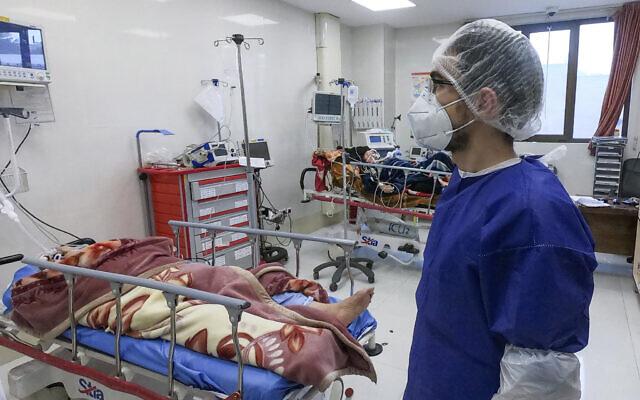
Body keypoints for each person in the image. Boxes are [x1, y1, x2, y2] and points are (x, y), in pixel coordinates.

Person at [404, 19, 597, 400]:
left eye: (437, 86)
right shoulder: (465, 181)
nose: (425, 100)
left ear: (484, 101)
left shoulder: (532, 214)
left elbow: (541, 381)